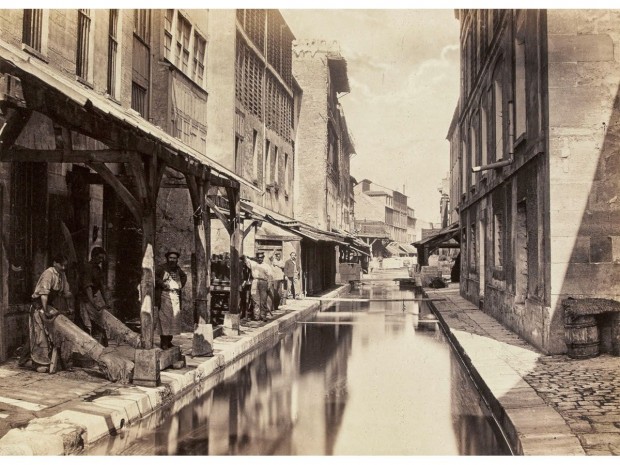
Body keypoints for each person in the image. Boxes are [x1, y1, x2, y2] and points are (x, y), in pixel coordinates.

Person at [28, 254, 74, 373]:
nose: (63, 267)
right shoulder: (48, 273)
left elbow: (66, 293)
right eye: (61, 265)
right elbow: (44, 295)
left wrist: (69, 307)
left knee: (55, 333)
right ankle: (40, 362)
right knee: (40, 335)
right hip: (39, 306)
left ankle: (60, 360)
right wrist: (45, 311)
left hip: (49, 306)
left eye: (65, 265)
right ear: (55, 263)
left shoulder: (62, 275)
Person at [78, 246, 111, 347]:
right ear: (94, 257)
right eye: (99, 258)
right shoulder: (87, 267)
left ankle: (101, 346)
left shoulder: (98, 269)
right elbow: (88, 287)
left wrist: (107, 302)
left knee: (99, 321)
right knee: (87, 324)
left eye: (102, 258)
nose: (101, 260)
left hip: (91, 298)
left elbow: (101, 286)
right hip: (84, 299)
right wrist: (93, 303)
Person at [155, 251, 187, 350]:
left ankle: (169, 341)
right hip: (164, 296)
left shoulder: (178, 269)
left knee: (174, 320)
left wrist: (179, 285)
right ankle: (163, 342)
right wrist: (163, 284)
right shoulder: (161, 268)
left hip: (175, 296)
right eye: (171, 258)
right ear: (167, 258)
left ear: (177, 259)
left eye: (174, 258)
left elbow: (184, 276)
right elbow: (154, 277)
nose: (172, 260)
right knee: (165, 320)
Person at [243, 252, 271, 322]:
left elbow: (270, 276)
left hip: (263, 282)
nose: (260, 259)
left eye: (261, 257)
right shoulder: (253, 264)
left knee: (263, 300)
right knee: (255, 300)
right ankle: (256, 316)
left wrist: (269, 285)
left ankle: (263, 316)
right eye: (258, 258)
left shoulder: (267, 266)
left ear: (263, 258)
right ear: (257, 258)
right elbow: (245, 258)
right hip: (255, 281)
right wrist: (248, 257)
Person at [239, 256, 253, 320]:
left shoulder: (247, 268)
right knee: (242, 300)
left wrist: (245, 282)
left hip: (246, 285)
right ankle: (242, 313)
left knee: (246, 300)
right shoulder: (239, 267)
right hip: (240, 284)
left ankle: (245, 313)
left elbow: (247, 276)